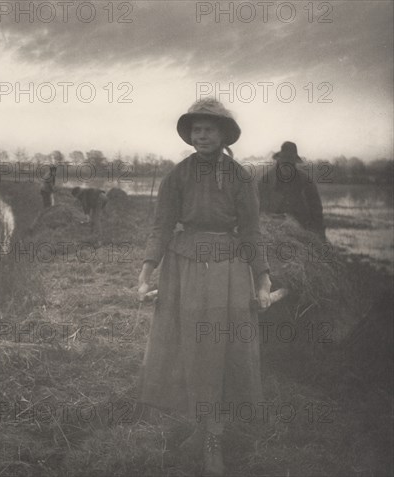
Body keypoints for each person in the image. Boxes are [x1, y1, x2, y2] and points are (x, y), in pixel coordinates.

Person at [137, 98, 271, 476]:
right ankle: (201, 429)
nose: (202, 135)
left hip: (229, 270)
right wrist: (147, 272)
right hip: (183, 270)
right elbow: (161, 227)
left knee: (225, 351)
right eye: (197, 130)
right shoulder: (176, 176)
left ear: (224, 135)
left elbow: (251, 232)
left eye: (210, 129)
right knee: (191, 350)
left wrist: (262, 279)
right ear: (190, 135)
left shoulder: (241, 178)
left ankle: (214, 440)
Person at [258, 141, 326, 239]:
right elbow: (257, 209)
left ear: (295, 162)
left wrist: (320, 235)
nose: (286, 165)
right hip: (272, 231)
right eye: (284, 161)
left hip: (301, 231)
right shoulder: (265, 180)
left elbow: (317, 211)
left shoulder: (306, 181)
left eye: (290, 162)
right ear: (279, 160)